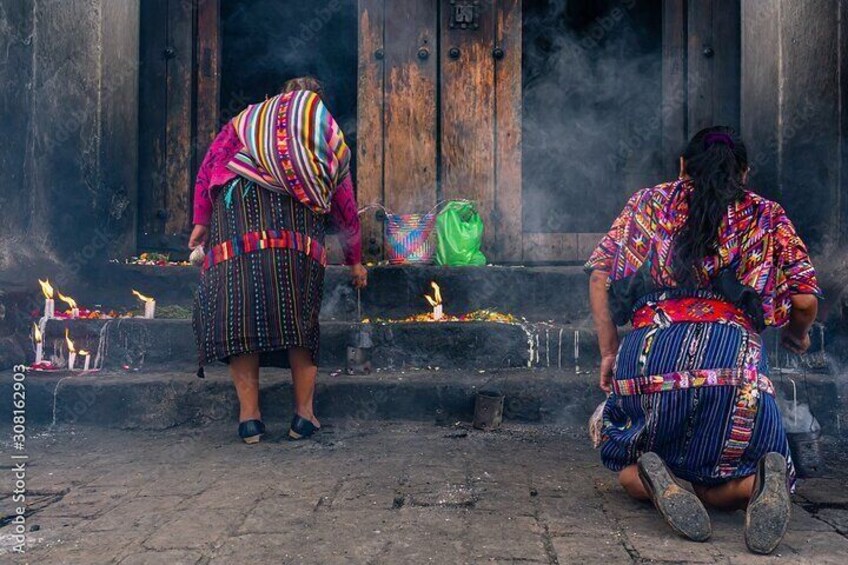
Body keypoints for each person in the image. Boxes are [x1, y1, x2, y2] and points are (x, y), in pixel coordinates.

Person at [585, 126, 820, 554]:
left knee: (625, 468)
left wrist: (609, 351)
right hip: (734, 360)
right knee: (747, 462)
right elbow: (804, 299)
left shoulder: (649, 202)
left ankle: (666, 480)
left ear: (681, 166)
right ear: (744, 173)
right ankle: (752, 485)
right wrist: (796, 334)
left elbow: (600, 277)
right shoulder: (766, 214)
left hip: (653, 354)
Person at [189, 77, 367, 445]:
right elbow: (345, 203)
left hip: (237, 214)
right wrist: (355, 261)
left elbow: (210, 166)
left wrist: (201, 221)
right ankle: (304, 417)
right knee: (299, 315)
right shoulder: (326, 133)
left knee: (241, 312)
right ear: (317, 105)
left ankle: (249, 420)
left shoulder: (248, 120)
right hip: (294, 224)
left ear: (279, 98)